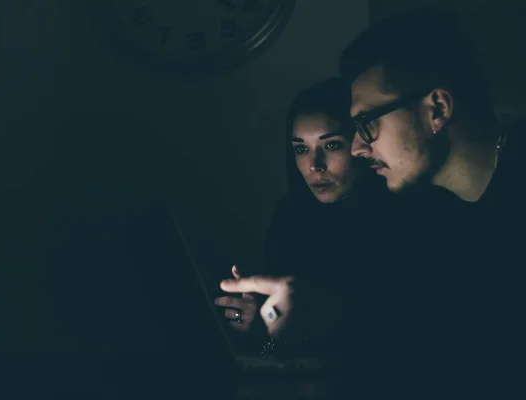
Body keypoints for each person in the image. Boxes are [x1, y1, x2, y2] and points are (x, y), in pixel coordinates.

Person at [224, 8, 526, 398]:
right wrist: (268, 333)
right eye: (299, 149)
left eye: (366, 124)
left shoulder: (425, 220)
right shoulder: (455, 220)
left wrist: (330, 316)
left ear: (437, 109)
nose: (358, 147)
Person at [214, 78, 390, 356]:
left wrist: (321, 315)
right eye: (301, 148)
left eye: (332, 145)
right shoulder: (291, 216)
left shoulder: (403, 217)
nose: (314, 165)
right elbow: (278, 348)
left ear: (359, 143)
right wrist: (261, 326)